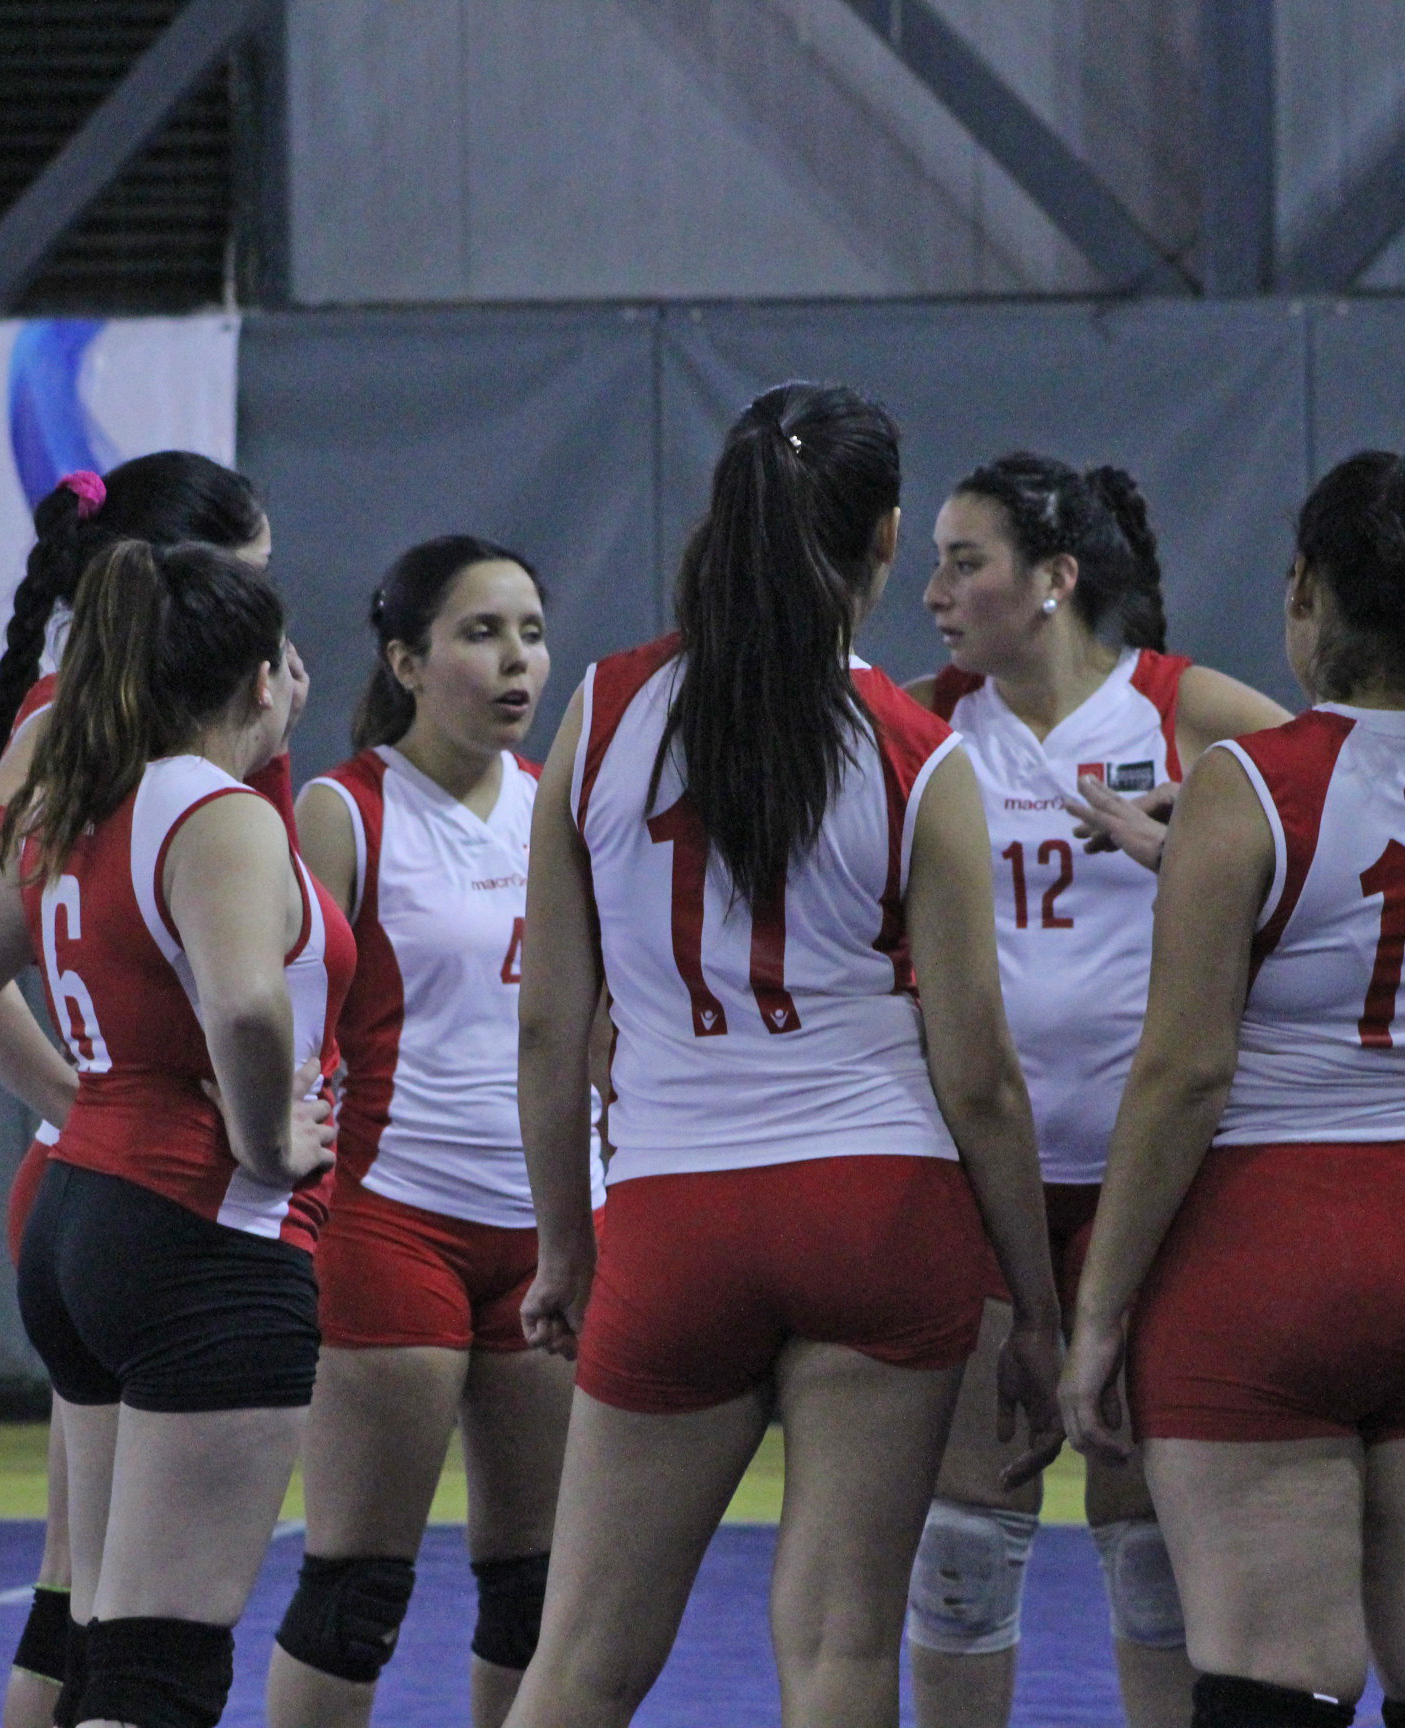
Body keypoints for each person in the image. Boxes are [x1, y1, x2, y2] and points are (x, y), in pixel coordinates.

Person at [505, 382, 1064, 1728]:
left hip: (676, 1212)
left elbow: (547, 1026)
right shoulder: (919, 754)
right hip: (879, 1204)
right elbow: (980, 1076)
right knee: (840, 1652)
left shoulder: (604, 712)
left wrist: (563, 1246)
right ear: (887, 539)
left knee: (580, 1663)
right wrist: (1039, 1308)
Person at [1063, 448, 1405, 1728]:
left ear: (1306, 588)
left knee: (1275, 1683)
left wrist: (1100, 1311)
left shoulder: (1245, 786)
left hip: (1277, 1244)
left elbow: (1184, 1075)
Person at [0, 539, 351, 1728]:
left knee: (105, 1638)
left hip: (85, 1217)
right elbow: (246, 1005)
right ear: (262, 679)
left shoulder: (81, 799)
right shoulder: (216, 811)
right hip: (202, 1237)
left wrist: (89, 1102)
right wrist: (267, 1145)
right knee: (161, 1666)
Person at [905, 451, 1287, 1728]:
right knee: (965, 1545)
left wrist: (1195, 853)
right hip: (980, 1179)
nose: (934, 593)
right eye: (934, 562)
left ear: (1055, 579)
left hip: (1158, 1181)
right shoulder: (921, 728)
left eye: (966, 564)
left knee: (1152, 1546)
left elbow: (1344, 835)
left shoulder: (1189, 712)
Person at [267, 537, 584, 1728]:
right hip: (394, 1220)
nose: (517, 661)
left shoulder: (559, 806)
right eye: (481, 633)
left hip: (547, 1229)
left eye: (531, 634)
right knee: (356, 1592)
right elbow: (285, 1028)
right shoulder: (344, 812)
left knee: (536, 1591)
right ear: (405, 661)